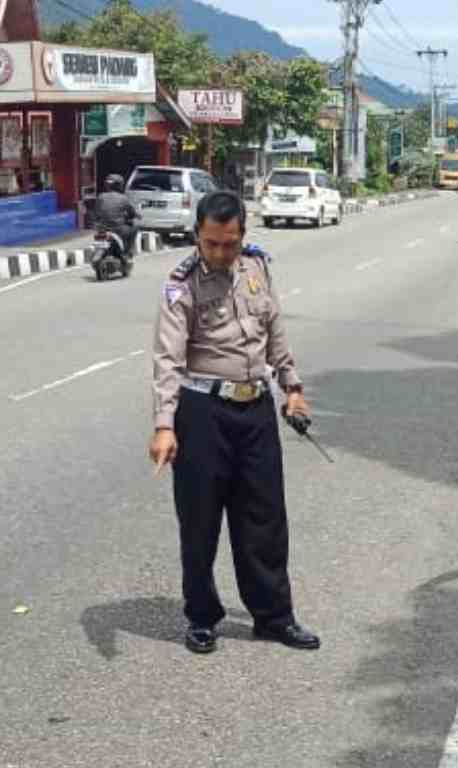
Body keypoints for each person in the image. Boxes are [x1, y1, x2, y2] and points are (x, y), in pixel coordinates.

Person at [149, 190, 321, 655]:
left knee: (264, 519)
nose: (221, 253)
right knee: (201, 520)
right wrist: (165, 424)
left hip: (256, 409)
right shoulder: (180, 283)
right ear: (197, 238)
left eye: (230, 243)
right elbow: (168, 359)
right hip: (202, 412)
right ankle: (202, 617)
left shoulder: (257, 268)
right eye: (211, 244)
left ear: (243, 236)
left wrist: (294, 388)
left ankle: (273, 617)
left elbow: (275, 332)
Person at [94, 174, 140, 257]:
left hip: (102, 228)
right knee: (135, 227)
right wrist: (136, 216)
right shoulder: (123, 198)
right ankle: (128, 250)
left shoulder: (101, 196)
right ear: (120, 185)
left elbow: (97, 211)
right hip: (118, 229)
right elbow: (132, 213)